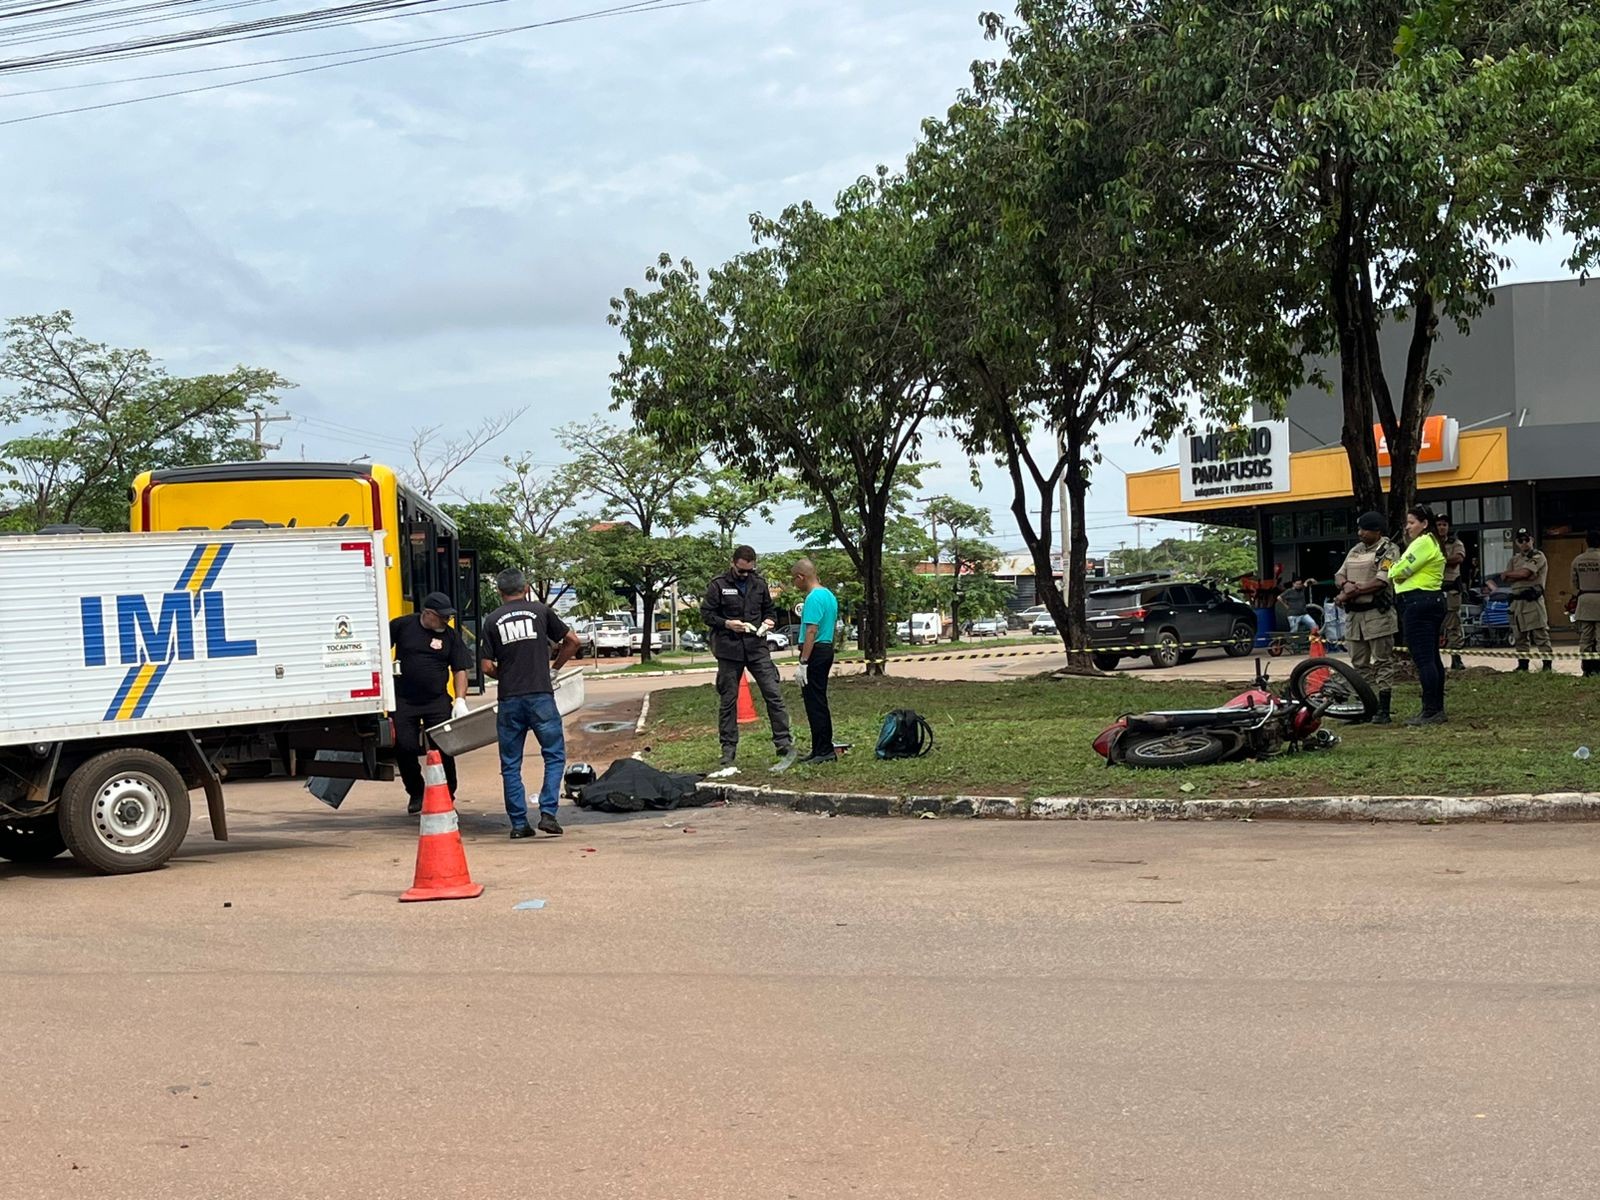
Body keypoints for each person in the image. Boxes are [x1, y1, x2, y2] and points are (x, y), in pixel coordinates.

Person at [480, 568, 580, 840]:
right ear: (526, 588)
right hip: (540, 696)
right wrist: (554, 669)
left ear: (500, 592)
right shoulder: (541, 612)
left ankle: (519, 824)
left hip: (510, 700)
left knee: (511, 764)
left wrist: (507, 676)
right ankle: (548, 813)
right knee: (554, 754)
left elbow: (487, 666)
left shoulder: (491, 620)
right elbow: (572, 642)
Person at [700, 545, 794, 769]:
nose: (746, 575)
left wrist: (769, 621)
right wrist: (727, 623)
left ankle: (783, 743)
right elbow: (706, 614)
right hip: (729, 650)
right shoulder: (718, 585)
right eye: (742, 571)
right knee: (728, 700)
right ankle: (728, 749)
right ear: (733, 564)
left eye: (750, 571)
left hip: (757, 647)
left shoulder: (759, 584)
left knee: (773, 694)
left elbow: (770, 610)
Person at [389, 591, 472, 815]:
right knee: (404, 747)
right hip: (404, 701)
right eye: (442, 617)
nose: (446, 621)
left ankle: (448, 794)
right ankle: (416, 792)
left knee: (443, 748)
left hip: (436, 702)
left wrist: (460, 700)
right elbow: (377, 649)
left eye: (448, 617)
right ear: (427, 614)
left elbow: (460, 669)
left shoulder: (451, 636)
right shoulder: (402, 626)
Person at [1335, 512, 1402, 725]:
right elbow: (1339, 574)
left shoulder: (1389, 550)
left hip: (1377, 614)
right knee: (1358, 663)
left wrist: (1349, 592)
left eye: (1365, 529)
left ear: (1377, 531)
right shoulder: (1356, 550)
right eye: (1360, 529)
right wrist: (1346, 586)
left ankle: (1383, 710)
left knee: (1382, 661)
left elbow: (1382, 581)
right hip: (1354, 616)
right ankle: (1363, 708)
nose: (1360, 533)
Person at [1388, 504, 1449, 725]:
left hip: (1419, 603)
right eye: (1407, 522)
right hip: (1429, 601)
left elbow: (1399, 571)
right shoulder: (1431, 542)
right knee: (1431, 657)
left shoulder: (1423, 542)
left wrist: (1392, 569)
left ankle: (1431, 710)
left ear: (1424, 524)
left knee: (1424, 659)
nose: (1407, 527)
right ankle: (1435, 708)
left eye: (1411, 522)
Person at [790, 558, 839, 764]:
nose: (795, 584)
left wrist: (803, 661)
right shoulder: (828, 595)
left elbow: (811, 630)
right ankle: (819, 747)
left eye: (795, 579)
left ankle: (824, 750)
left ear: (801, 577)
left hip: (815, 652)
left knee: (814, 702)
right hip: (826, 648)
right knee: (818, 700)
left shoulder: (813, 598)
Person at [1501, 528, 1553, 672]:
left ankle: (1547, 666)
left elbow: (1525, 573)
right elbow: (1506, 578)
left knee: (1540, 635)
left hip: (1532, 600)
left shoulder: (1538, 556)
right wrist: (1519, 575)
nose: (1524, 543)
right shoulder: (1514, 559)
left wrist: (1518, 574)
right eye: (1520, 540)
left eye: (1526, 539)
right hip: (1517, 602)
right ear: (1517, 542)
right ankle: (1522, 666)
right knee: (1519, 637)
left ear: (1532, 540)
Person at [1436, 514, 1469, 670]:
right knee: (1433, 625)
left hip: (1451, 591)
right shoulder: (1431, 543)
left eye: (1444, 524)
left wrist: (1439, 561)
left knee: (1453, 625)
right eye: (1439, 524)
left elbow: (1458, 559)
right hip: (1434, 589)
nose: (1442, 527)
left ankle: (1456, 658)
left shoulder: (1455, 543)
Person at [1572, 530, 1600, 678]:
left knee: (1586, 637)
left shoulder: (1577, 560)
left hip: (1584, 600)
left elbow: (1574, 583)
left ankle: (1587, 669)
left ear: (1587, 542)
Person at [1280, 578, 1317, 648]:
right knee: (1294, 631)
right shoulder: (1289, 591)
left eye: (1300, 584)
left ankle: (1315, 641)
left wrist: (1310, 579)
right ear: (1293, 584)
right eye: (1297, 584)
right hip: (1293, 614)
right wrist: (1286, 605)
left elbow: (1308, 582)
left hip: (1303, 613)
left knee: (1313, 624)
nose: (1299, 585)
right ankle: (1294, 646)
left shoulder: (1302, 588)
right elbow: (1279, 597)